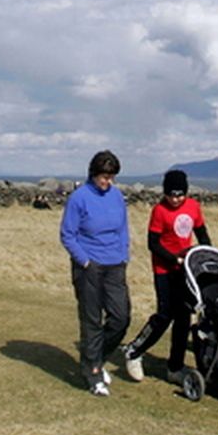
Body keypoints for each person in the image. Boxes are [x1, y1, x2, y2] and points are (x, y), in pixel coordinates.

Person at [121, 169, 209, 383]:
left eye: (180, 195)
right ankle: (134, 351)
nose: (176, 199)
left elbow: (202, 234)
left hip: (185, 271)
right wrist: (174, 259)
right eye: (171, 195)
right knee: (165, 314)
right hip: (164, 270)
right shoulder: (159, 211)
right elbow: (153, 244)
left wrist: (207, 256)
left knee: (184, 318)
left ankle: (175, 367)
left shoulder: (193, 207)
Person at [60, 150, 131, 397]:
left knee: (121, 317)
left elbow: (122, 228)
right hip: (88, 267)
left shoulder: (117, 196)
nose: (108, 181)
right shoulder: (79, 198)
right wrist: (85, 261)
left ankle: (97, 359)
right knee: (92, 320)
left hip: (115, 265)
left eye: (111, 177)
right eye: (104, 176)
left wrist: (124, 255)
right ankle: (93, 375)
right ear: (93, 174)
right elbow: (67, 234)